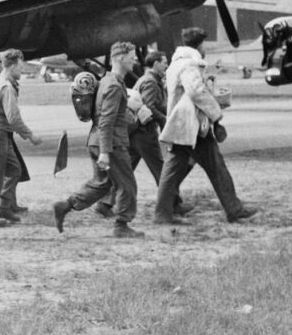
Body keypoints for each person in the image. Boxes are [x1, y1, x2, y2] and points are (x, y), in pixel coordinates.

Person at [155, 27, 258, 225]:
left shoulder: (178, 63)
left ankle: (163, 214)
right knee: (211, 167)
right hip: (190, 126)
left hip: (185, 127)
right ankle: (233, 210)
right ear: (200, 44)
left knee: (178, 170)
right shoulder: (189, 65)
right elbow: (195, 92)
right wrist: (216, 113)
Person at [53, 41, 144, 239]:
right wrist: (105, 151)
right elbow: (106, 120)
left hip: (97, 140)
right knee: (127, 185)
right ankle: (122, 225)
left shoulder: (108, 81)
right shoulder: (113, 85)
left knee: (102, 183)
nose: (134, 60)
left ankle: (65, 206)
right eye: (131, 57)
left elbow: (111, 114)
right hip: (111, 143)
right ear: (120, 58)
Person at [94, 51, 191, 220]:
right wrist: (164, 121)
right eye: (164, 62)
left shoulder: (147, 80)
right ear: (155, 64)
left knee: (124, 171)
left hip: (134, 132)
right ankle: (174, 204)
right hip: (144, 133)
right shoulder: (150, 82)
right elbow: (149, 106)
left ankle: (104, 203)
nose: (166, 65)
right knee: (161, 170)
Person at [0, 48, 42, 226]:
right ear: (12, 66)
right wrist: (30, 135)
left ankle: (4, 207)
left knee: (14, 169)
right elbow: (13, 117)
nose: (22, 71)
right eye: (20, 67)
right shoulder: (5, 87)